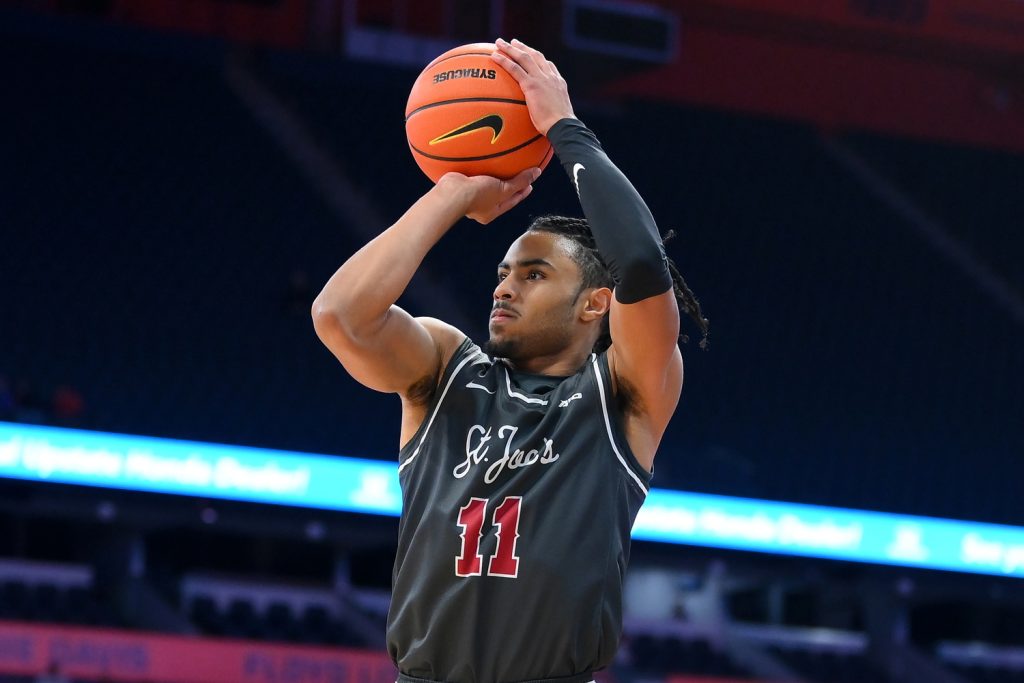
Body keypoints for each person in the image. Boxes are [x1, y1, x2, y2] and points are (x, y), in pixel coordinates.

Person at [313, 38, 707, 683]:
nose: (503, 286)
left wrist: (564, 130)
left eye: (533, 274)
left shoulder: (624, 392)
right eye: (503, 272)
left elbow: (638, 261)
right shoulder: (445, 369)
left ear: (593, 304)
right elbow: (340, 317)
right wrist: (452, 195)